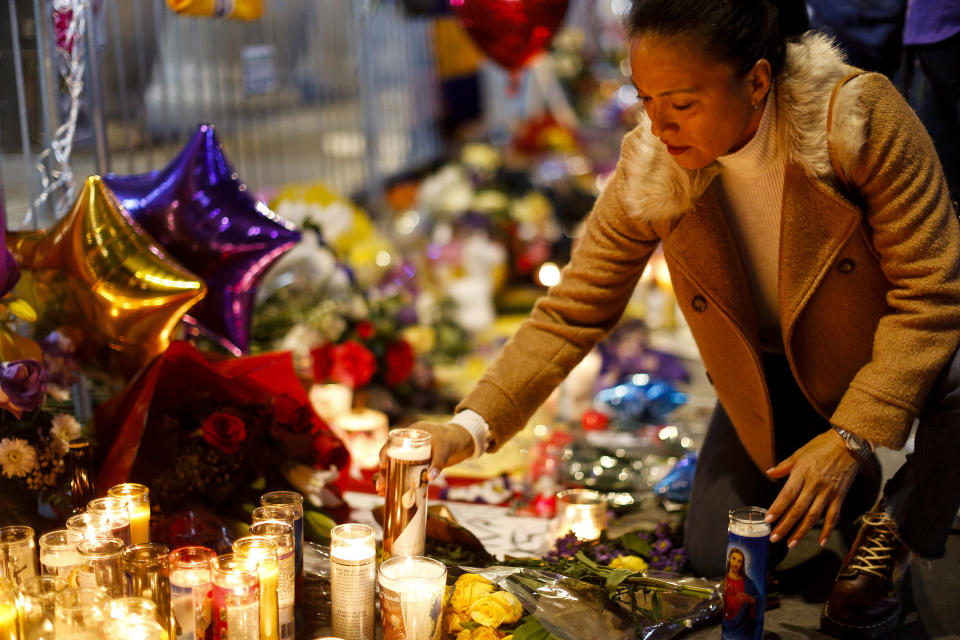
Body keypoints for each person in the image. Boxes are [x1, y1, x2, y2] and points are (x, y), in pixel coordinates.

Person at [378, 0, 960, 637]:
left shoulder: (855, 119)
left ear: (758, 80)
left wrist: (853, 431)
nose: (657, 126)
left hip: (886, 352)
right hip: (774, 373)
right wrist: (470, 427)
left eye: (681, 104)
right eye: (644, 97)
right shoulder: (652, 164)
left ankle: (899, 517)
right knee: (716, 552)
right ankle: (839, 481)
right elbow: (574, 307)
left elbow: (934, 291)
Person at [722, 548, 761, 640]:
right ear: (729, 559)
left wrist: (751, 599)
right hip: (724, 624)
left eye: (739, 561)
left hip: (742, 627)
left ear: (742, 564)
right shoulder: (723, 579)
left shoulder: (748, 583)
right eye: (734, 559)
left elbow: (759, 600)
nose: (736, 564)